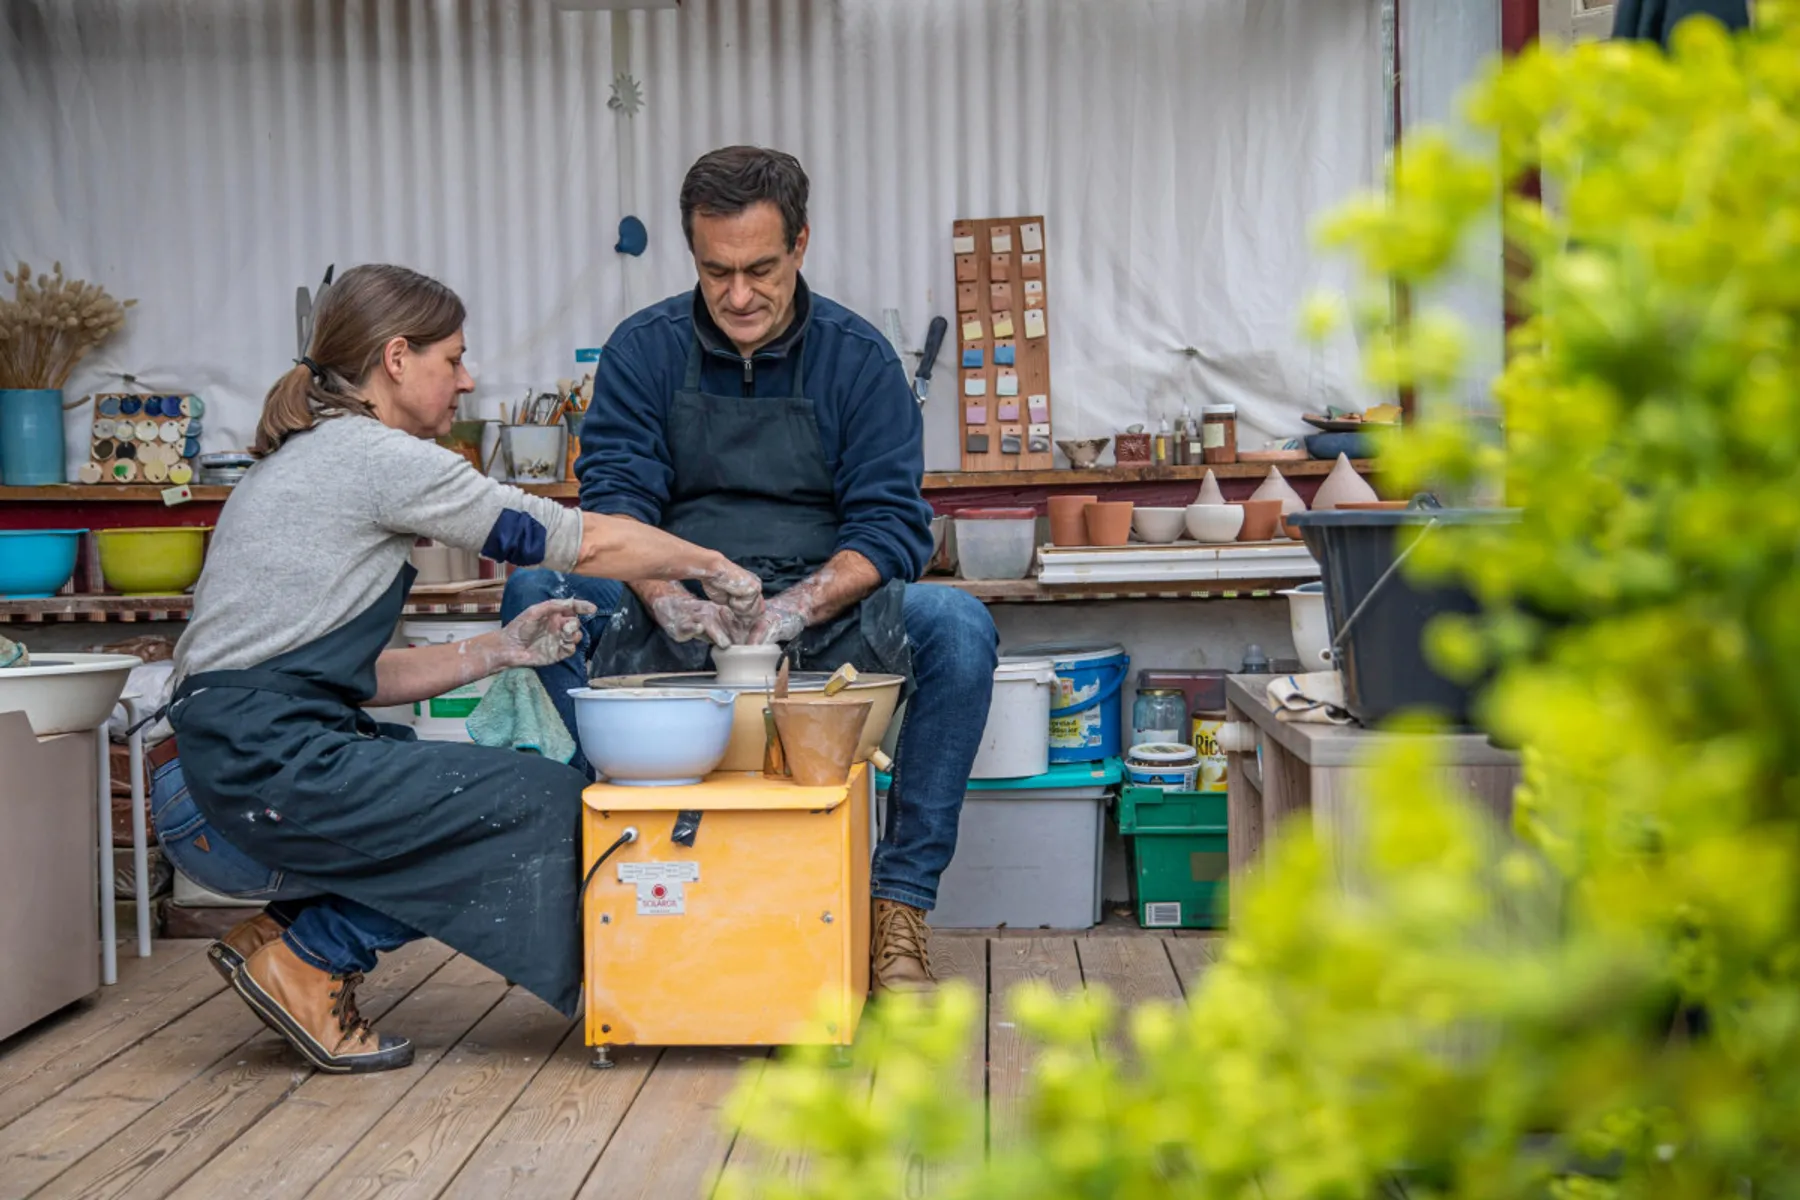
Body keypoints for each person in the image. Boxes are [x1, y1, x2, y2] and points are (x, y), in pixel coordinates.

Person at [160, 263, 763, 1073]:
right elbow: (576, 539)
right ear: (397, 358)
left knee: (474, 782)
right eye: (455, 358)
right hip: (256, 768)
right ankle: (312, 958)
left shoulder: (308, 457)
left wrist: (501, 649)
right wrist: (714, 565)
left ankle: (283, 938)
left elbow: (351, 676)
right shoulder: (374, 457)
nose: (468, 379)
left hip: (238, 752)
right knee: (548, 804)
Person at [502, 146, 998, 995]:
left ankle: (899, 905)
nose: (737, 295)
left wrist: (794, 607)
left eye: (760, 269)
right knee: (537, 593)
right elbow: (614, 504)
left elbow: (891, 527)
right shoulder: (643, 351)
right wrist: (665, 594)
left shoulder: (858, 359)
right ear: (693, 254)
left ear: (801, 244)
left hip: (822, 613)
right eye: (715, 270)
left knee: (960, 628)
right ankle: (611, 866)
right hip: (680, 609)